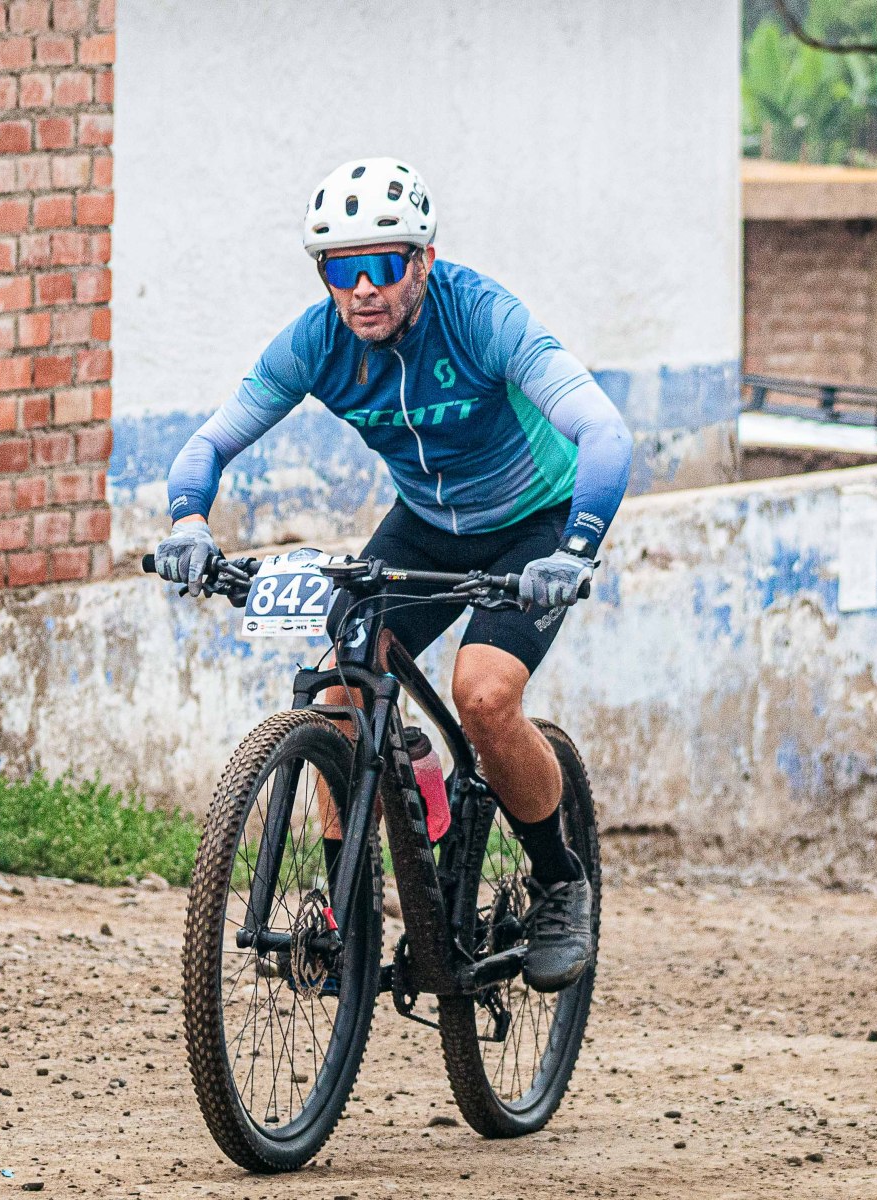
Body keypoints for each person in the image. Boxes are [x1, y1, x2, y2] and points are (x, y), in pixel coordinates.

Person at [155, 157, 631, 992]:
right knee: (344, 682)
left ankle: (560, 881)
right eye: (342, 270)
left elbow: (604, 433)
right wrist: (189, 523)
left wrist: (575, 549)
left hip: (537, 524)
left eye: (382, 264)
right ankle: (349, 907)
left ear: (424, 261)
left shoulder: (481, 316)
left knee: (483, 695)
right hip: (427, 524)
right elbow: (210, 443)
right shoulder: (317, 341)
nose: (363, 289)